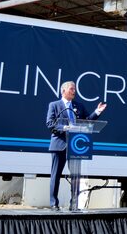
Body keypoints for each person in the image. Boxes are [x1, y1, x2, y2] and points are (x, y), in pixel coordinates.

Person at [46, 80, 107, 210]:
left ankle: (73, 204)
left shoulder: (79, 106)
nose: (74, 91)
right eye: (71, 89)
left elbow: (87, 121)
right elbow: (50, 124)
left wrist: (97, 111)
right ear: (63, 91)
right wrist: (65, 127)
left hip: (75, 146)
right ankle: (53, 204)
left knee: (75, 177)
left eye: (74, 89)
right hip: (59, 144)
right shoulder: (54, 105)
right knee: (55, 175)